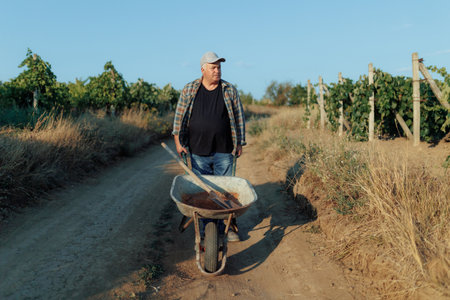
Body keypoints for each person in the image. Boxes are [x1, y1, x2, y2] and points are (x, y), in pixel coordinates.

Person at [172, 51, 246, 242]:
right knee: (203, 194)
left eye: (219, 67)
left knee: (224, 193)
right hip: (197, 150)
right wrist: (179, 143)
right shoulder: (190, 89)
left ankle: (226, 228)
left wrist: (240, 143)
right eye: (213, 67)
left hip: (224, 150)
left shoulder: (229, 90)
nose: (217, 71)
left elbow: (239, 118)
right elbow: (179, 119)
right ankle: (205, 231)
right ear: (203, 69)